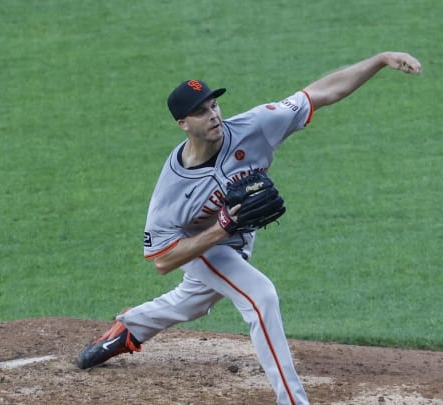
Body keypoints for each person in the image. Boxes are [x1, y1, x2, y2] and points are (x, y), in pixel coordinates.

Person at [76, 51, 422, 405]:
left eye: (213, 105)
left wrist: (380, 60)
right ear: (183, 123)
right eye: (201, 111)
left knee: (194, 301)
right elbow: (163, 261)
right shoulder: (171, 191)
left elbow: (322, 92)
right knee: (261, 297)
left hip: (237, 235)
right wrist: (221, 228)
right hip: (203, 245)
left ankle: (129, 328)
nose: (213, 115)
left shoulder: (255, 125)